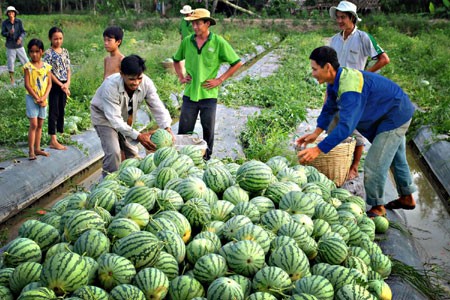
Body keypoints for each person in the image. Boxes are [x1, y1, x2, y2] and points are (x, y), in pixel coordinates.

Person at [296, 46, 416, 218]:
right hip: (387, 111)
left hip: (395, 115)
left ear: (328, 67)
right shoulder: (335, 80)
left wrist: (318, 149)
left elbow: (346, 127)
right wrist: (316, 133)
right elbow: (329, 108)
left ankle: (377, 207)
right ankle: (407, 197)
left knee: (375, 163)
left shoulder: (349, 88)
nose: (313, 73)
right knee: (396, 157)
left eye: (315, 69)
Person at [327, 0, 391, 180]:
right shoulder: (334, 40)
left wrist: (363, 75)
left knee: (356, 131)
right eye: (338, 17)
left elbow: (384, 59)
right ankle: (337, 163)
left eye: (343, 17)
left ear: (352, 18)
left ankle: (354, 167)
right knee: (333, 128)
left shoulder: (363, 38)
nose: (339, 21)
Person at [173, 8, 243, 160]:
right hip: (190, 93)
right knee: (184, 130)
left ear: (207, 23)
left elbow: (237, 63)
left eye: (198, 24)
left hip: (208, 94)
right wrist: (181, 76)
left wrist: (220, 80)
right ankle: (181, 159)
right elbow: (176, 59)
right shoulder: (187, 41)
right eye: (193, 24)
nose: (195, 27)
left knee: (208, 130)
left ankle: (206, 159)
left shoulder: (218, 42)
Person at [90, 55, 174, 176]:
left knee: (132, 153)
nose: (136, 83)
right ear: (122, 74)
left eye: (139, 78)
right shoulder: (110, 86)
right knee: (114, 152)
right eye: (131, 79)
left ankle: (130, 184)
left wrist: (167, 127)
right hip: (104, 116)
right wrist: (139, 136)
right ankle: (108, 183)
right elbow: (114, 119)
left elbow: (157, 107)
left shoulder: (146, 83)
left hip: (125, 115)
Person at [23, 38, 52, 160]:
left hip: (43, 99)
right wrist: (37, 97)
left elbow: (49, 83)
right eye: (31, 52)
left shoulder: (46, 67)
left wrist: (44, 97)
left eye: (36, 51)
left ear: (42, 52)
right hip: (32, 98)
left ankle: (37, 148)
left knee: (40, 124)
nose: (34, 54)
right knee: (33, 124)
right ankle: (31, 151)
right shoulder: (28, 67)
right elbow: (27, 85)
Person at [43, 27, 71, 150]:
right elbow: (48, 72)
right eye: (55, 39)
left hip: (65, 83)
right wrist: (61, 85)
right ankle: (53, 139)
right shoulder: (48, 53)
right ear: (50, 39)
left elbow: (68, 68)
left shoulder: (65, 51)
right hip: (54, 84)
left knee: (61, 109)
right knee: (53, 111)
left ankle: (60, 133)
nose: (58, 41)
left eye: (60, 38)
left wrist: (67, 84)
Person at [1, 6, 28, 85]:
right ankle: (12, 80)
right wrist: (9, 33)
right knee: (11, 63)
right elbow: (2, 33)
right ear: (7, 14)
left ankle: (28, 77)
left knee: (26, 61)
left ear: (15, 13)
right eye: (9, 12)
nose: (11, 14)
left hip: (19, 45)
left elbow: (23, 32)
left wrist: (20, 38)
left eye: (12, 12)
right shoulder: (5, 23)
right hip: (10, 45)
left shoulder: (19, 21)